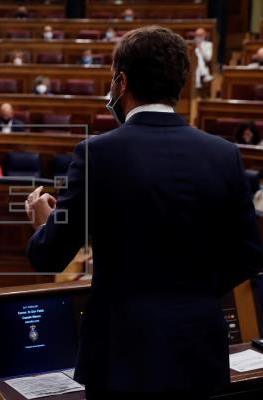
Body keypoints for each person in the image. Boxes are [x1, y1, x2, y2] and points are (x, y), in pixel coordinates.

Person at [25, 26, 263, 400]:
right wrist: (194, 292)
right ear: (179, 83)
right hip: (199, 349)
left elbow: (49, 256)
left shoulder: (96, 154)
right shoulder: (223, 154)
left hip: (122, 354)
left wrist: (42, 222)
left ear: (121, 82)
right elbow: (249, 256)